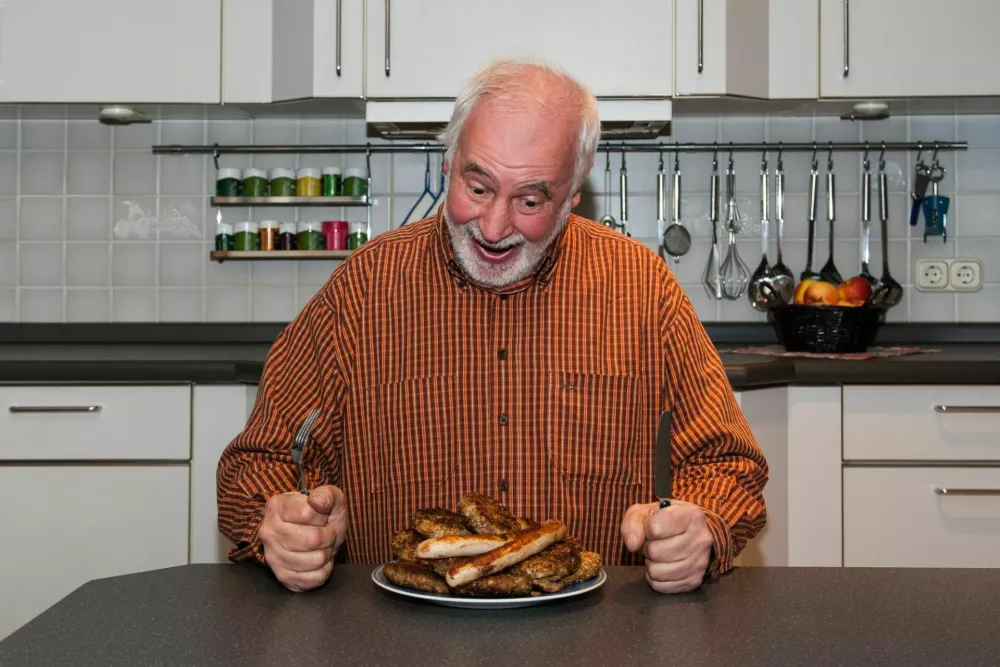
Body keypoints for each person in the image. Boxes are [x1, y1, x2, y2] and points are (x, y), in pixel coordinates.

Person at [217, 59, 768, 595]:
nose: (495, 226)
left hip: (595, 634)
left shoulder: (641, 287)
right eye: (478, 188)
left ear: (572, 196)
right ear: (449, 165)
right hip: (398, 634)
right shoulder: (363, 287)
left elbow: (726, 461)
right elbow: (261, 460)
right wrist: (282, 525)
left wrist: (701, 525)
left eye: (529, 199)